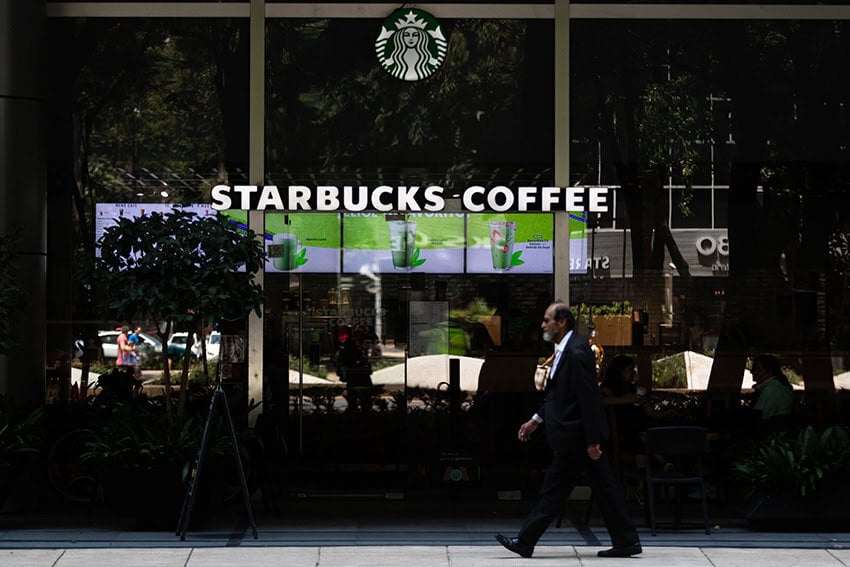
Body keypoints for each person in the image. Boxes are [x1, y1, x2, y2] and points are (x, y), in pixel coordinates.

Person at [495, 303, 641, 559]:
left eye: (547, 320)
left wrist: (592, 441)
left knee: (557, 490)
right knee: (596, 489)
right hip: (574, 437)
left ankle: (526, 541)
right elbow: (560, 396)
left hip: (578, 438)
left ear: (561, 322)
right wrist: (536, 420)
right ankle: (627, 541)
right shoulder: (566, 350)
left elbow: (588, 397)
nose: (543, 325)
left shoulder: (576, 351)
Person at [336, 325, 374, 413]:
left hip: (360, 378)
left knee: (363, 404)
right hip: (356, 378)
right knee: (357, 403)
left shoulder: (357, 347)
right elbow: (344, 362)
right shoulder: (350, 347)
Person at [751, 353, 794, 420]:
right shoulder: (781, 386)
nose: (753, 372)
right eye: (753, 369)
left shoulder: (771, 388)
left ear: (770, 372)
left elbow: (757, 416)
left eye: (759, 370)